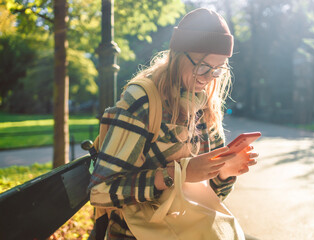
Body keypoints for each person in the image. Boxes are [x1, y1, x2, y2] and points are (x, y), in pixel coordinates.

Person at [88, 8, 259, 239]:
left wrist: (224, 173)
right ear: (178, 55)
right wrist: (176, 174)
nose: (209, 77)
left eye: (218, 69)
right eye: (202, 66)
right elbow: (100, 192)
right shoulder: (143, 102)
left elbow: (208, 198)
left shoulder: (205, 104)